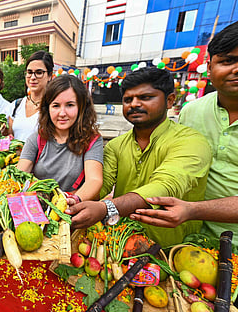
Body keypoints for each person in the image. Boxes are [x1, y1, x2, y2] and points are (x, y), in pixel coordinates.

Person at [65, 67, 212, 248]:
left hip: (173, 251)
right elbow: (98, 186)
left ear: (170, 100)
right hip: (120, 246)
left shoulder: (191, 141)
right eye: (128, 100)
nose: (134, 104)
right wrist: (71, 200)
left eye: (145, 97)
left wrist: (107, 208)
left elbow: (166, 186)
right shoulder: (115, 146)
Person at [131, 21, 238, 247]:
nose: (236, 69)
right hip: (193, 238)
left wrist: (193, 209)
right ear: (209, 68)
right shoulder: (193, 111)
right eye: (228, 60)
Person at [17, 74, 103, 200]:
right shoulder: (36, 139)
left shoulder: (92, 141)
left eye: (70, 105)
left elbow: (94, 180)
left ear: (81, 107)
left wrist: (74, 200)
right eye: (56, 105)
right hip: (37, 208)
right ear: (48, 108)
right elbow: (19, 176)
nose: (62, 113)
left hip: (74, 209)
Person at [8, 50, 53, 141]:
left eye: (39, 72)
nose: (33, 77)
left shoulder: (53, 107)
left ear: (49, 76)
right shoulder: (16, 105)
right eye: (29, 72)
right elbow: (10, 136)